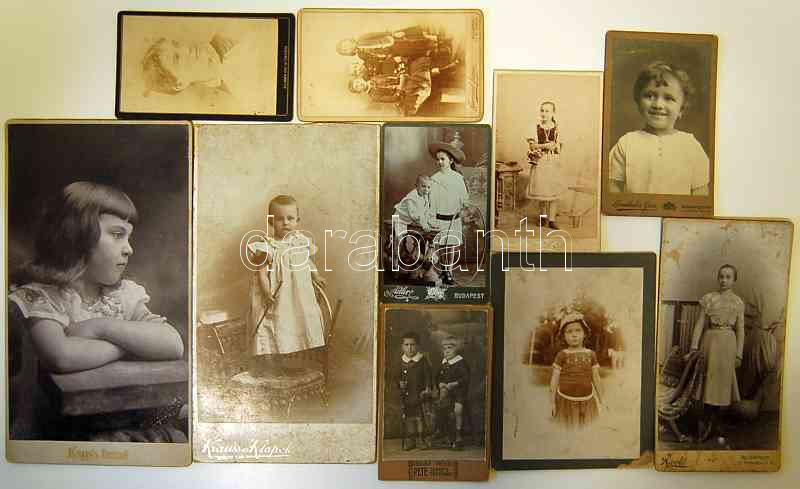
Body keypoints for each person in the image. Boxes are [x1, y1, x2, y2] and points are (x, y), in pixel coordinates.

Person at [8, 182, 185, 439]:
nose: (129, 248)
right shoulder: (41, 297)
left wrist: (101, 327)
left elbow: (172, 343)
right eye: (117, 235)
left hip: (122, 422)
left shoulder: (123, 296)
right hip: (60, 436)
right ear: (78, 237)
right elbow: (62, 356)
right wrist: (132, 345)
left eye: (129, 237)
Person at [246, 195, 327, 376]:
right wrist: (267, 292)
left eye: (290, 218)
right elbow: (261, 273)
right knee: (276, 324)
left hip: (298, 295)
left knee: (297, 323)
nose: (285, 223)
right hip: (277, 296)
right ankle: (272, 365)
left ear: (297, 220)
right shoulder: (266, 247)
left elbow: (307, 262)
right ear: (271, 221)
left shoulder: (300, 242)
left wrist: (316, 275)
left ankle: (293, 362)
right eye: (279, 219)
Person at [608, 61, 710, 195]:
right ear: (638, 102)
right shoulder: (626, 143)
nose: (658, 105)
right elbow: (613, 188)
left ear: (681, 108)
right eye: (649, 96)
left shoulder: (691, 146)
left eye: (668, 98)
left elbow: (700, 192)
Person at [686, 264, 744, 442]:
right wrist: (694, 347)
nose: (724, 280)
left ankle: (716, 423)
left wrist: (739, 354)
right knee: (709, 385)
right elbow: (699, 324)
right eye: (721, 276)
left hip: (728, 345)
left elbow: (741, 330)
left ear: (734, 280)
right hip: (710, 343)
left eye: (728, 277)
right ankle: (705, 424)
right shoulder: (709, 299)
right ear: (718, 278)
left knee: (722, 386)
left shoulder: (738, 302)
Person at [549, 312, 604, 428]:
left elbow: (596, 378)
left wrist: (602, 400)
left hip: (587, 401)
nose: (574, 335)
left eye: (578, 330)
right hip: (565, 402)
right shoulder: (562, 355)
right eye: (569, 332)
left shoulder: (591, 354)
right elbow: (554, 380)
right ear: (563, 336)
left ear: (584, 334)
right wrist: (552, 402)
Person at [427, 140, 470, 285]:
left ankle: (449, 272)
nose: (439, 162)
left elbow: (464, 198)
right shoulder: (434, 179)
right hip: (440, 218)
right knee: (440, 246)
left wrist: (464, 205)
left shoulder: (458, 178)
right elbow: (431, 200)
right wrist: (431, 217)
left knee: (451, 246)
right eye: (438, 159)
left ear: (451, 160)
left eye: (443, 159)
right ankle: (442, 271)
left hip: (453, 218)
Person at [526, 101, 565, 230]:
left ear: (553, 113)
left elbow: (559, 147)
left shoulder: (557, 129)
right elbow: (532, 146)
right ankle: (543, 217)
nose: (544, 113)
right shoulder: (536, 128)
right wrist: (545, 146)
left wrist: (555, 147)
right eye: (542, 110)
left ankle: (552, 220)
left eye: (547, 111)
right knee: (542, 190)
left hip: (553, 161)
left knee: (553, 190)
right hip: (541, 161)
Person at [395, 332, 433, 451]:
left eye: (412, 344)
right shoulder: (401, 362)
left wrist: (427, 388)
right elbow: (396, 377)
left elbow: (428, 376)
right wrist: (399, 383)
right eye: (406, 345)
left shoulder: (422, 361)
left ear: (417, 346)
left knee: (420, 418)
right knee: (409, 418)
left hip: (420, 394)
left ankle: (421, 439)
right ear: (402, 347)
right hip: (407, 395)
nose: (410, 348)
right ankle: (411, 439)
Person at [433, 335, 470, 449]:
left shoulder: (461, 363)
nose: (447, 351)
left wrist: (455, 383)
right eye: (444, 348)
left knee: (458, 410)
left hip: (459, 393)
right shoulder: (444, 363)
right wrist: (440, 383)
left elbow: (466, 378)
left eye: (450, 348)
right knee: (441, 408)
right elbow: (438, 377)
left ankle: (458, 436)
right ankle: (444, 432)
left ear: (456, 349)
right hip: (447, 393)